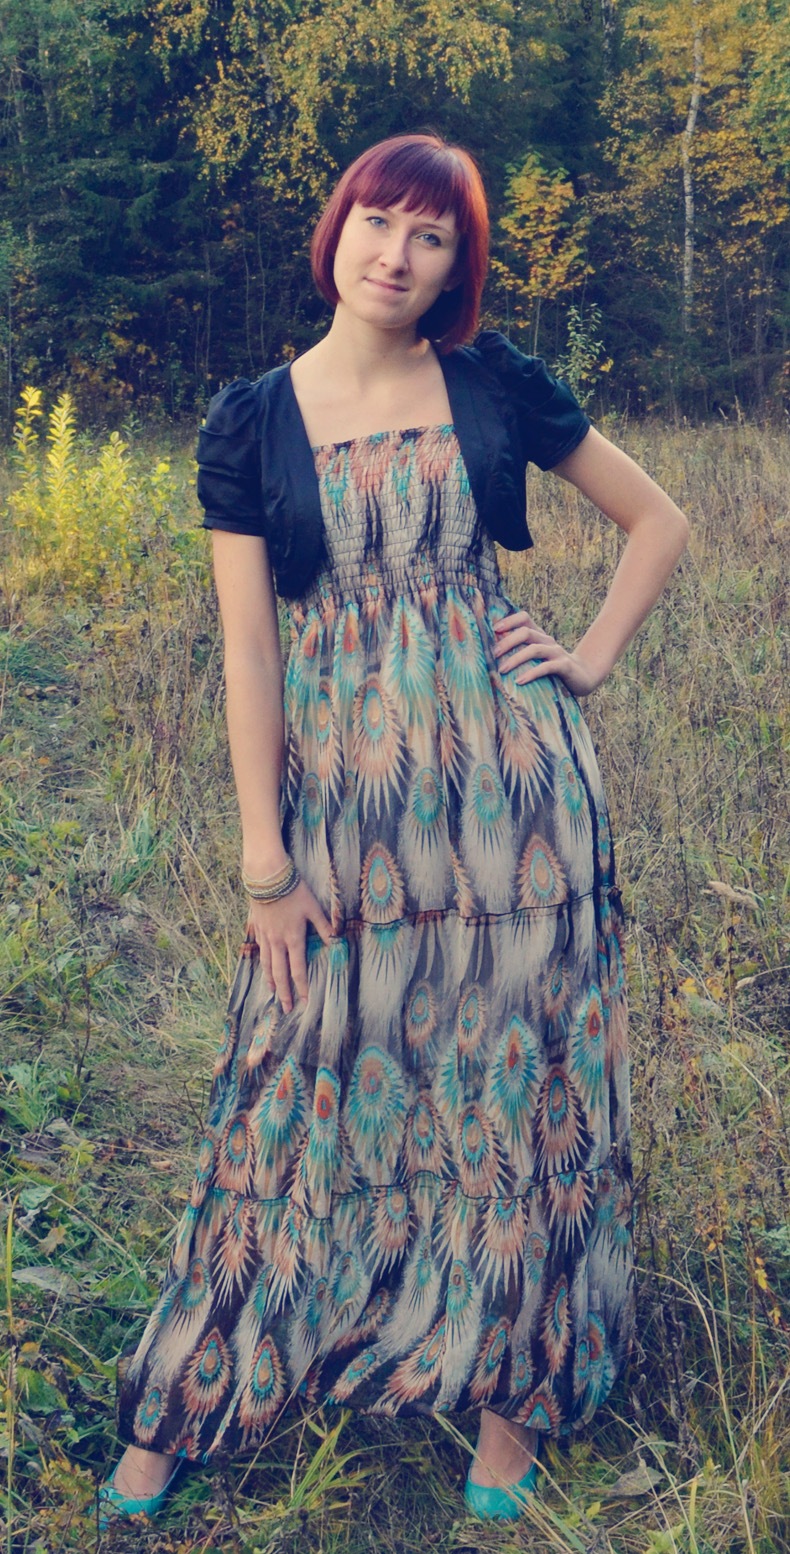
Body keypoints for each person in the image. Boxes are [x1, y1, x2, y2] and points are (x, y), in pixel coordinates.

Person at [99, 132, 689, 1529]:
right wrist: (265, 861)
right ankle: (188, 1402)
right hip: (343, 820)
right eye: (379, 220)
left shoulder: (492, 381)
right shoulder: (249, 420)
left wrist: (590, 657)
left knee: (523, 1093)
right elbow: (251, 650)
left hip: (515, 813)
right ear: (337, 230)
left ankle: (508, 1407)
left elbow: (658, 520)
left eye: (432, 236)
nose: (397, 254)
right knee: (291, 1084)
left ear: (456, 264)